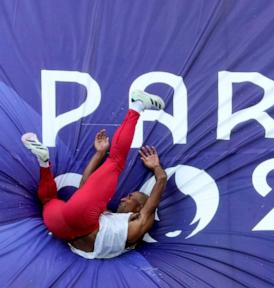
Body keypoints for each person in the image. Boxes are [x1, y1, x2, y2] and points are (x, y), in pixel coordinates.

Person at [21, 90, 168, 259]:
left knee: (116, 161)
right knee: (47, 200)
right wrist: (99, 154)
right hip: (60, 226)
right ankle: (44, 163)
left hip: (77, 222)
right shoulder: (108, 218)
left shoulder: (138, 224)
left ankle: (137, 106)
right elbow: (85, 187)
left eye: (130, 197)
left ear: (140, 208)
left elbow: (162, 179)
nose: (123, 198)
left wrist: (156, 167)